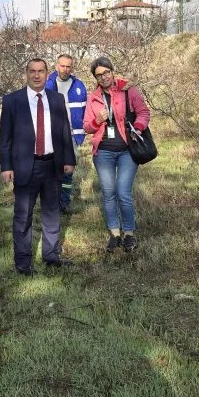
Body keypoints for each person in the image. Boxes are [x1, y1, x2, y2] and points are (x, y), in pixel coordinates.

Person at [0, 58, 76, 276]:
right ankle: (23, 263)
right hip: (25, 166)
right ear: (26, 73)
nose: (36, 75)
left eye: (40, 71)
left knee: (51, 213)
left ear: (46, 73)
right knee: (23, 216)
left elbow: (64, 132)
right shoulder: (13, 100)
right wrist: (6, 166)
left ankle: (51, 256)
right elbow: (5, 138)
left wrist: (68, 160)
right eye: (32, 71)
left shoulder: (57, 99)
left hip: (52, 165)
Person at [82, 56, 151, 254]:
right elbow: (86, 126)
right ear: (95, 78)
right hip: (103, 151)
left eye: (106, 72)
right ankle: (114, 234)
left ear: (112, 71)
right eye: (99, 75)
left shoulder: (128, 90)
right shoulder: (93, 97)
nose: (103, 77)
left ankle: (129, 233)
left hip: (127, 150)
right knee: (108, 193)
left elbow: (143, 112)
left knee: (123, 191)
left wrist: (137, 128)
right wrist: (97, 120)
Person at [45, 54, 87, 214]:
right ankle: (52, 203)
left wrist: (81, 134)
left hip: (72, 136)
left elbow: (85, 111)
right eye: (62, 66)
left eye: (68, 66)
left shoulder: (79, 86)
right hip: (52, 135)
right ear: (56, 66)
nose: (65, 69)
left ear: (72, 67)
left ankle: (65, 202)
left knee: (68, 171)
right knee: (51, 170)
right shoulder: (48, 84)